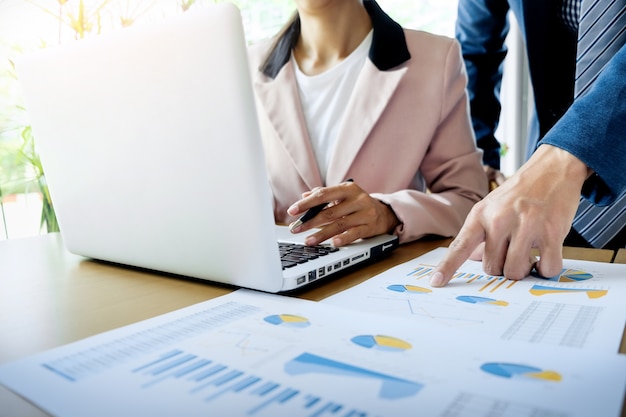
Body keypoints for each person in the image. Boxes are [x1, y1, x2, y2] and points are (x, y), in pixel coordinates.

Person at [247, 0, 488, 248]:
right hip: (272, 273)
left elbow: (469, 201)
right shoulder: (244, 65)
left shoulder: (436, 59)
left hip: (380, 275)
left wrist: (389, 212)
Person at [430, 0, 626, 287]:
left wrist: (566, 156)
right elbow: (474, 53)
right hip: (547, 195)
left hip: (557, 166)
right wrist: (478, 160)